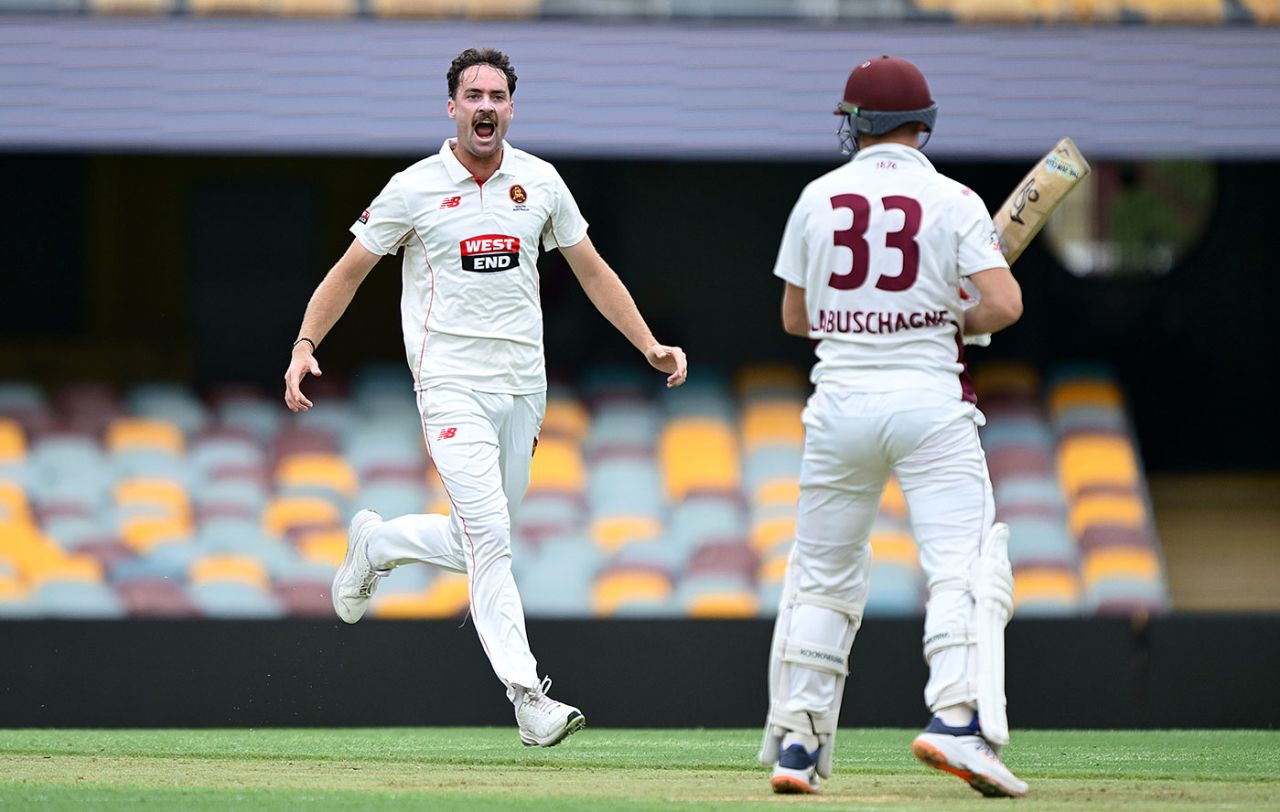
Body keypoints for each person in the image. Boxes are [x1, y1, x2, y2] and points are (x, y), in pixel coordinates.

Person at [282, 47, 688, 748]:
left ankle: (377, 544)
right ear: (451, 108)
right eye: (473, 95)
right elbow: (348, 273)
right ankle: (529, 698)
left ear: (511, 108)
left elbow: (593, 272)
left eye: (498, 95)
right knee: (491, 537)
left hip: (523, 389)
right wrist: (303, 346)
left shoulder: (541, 182)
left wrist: (648, 343)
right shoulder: (413, 188)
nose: (486, 107)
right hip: (448, 386)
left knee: (480, 536)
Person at [756, 55, 1028, 797]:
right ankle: (958, 722)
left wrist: (872, 319)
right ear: (924, 124)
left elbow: (795, 317)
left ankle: (797, 744)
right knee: (960, 566)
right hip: (929, 404)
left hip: (838, 407)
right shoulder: (956, 199)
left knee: (822, 576)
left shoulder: (817, 197)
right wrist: (950, 321)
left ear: (858, 124)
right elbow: (1004, 306)